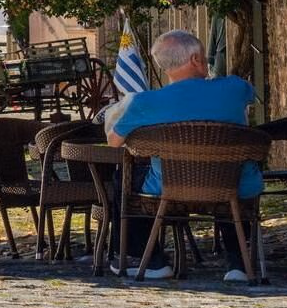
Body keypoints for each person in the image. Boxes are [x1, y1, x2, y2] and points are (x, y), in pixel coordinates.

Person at [106, 29, 261, 281]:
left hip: (169, 187)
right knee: (228, 175)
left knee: (124, 176)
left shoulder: (145, 102)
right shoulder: (235, 88)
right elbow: (247, 99)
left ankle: (148, 259)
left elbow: (113, 141)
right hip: (234, 186)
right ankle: (238, 263)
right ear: (195, 60)